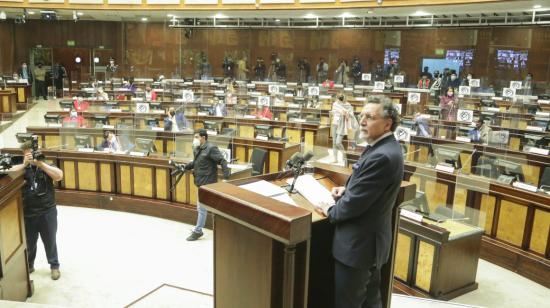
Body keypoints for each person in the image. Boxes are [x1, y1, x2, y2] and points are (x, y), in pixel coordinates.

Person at [315, 95, 403, 308]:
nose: (362, 121)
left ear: (387, 123)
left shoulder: (382, 155)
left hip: (358, 248)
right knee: (371, 302)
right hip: (369, 246)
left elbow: (353, 206)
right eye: (361, 115)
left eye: (370, 117)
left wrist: (330, 209)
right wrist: (347, 189)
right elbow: (371, 188)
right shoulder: (384, 147)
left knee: (349, 303)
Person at [7, 141, 64, 280]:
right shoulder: (21, 167)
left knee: (50, 240)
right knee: (29, 242)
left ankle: (54, 266)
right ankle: (29, 264)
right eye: (26, 153)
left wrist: (41, 164)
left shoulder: (45, 163)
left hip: (47, 210)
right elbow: (8, 173)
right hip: (28, 212)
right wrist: (24, 164)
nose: (29, 155)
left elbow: (59, 176)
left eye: (30, 152)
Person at [184, 129, 230, 241]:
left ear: (203, 137)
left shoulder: (211, 148)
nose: (194, 139)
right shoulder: (198, 148)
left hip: (207, 183)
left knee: (202, 208)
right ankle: (199, 229)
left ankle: (198, 231)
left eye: (196, 137)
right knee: (202, 207)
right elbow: (196, 162)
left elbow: (222, 161)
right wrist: (185, 166)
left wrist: (226, 177)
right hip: (200, 181)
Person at [331, 94, 355, 163]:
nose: (337, 101)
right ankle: (335, 159)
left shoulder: (348, 105)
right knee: (334, 142)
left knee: (338, 142)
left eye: (338, 100)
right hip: (334, 124)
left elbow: (351, 115)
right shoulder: (335, 104)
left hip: (342, 125)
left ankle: (344, 156)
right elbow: (333, 112)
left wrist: (346, 114)